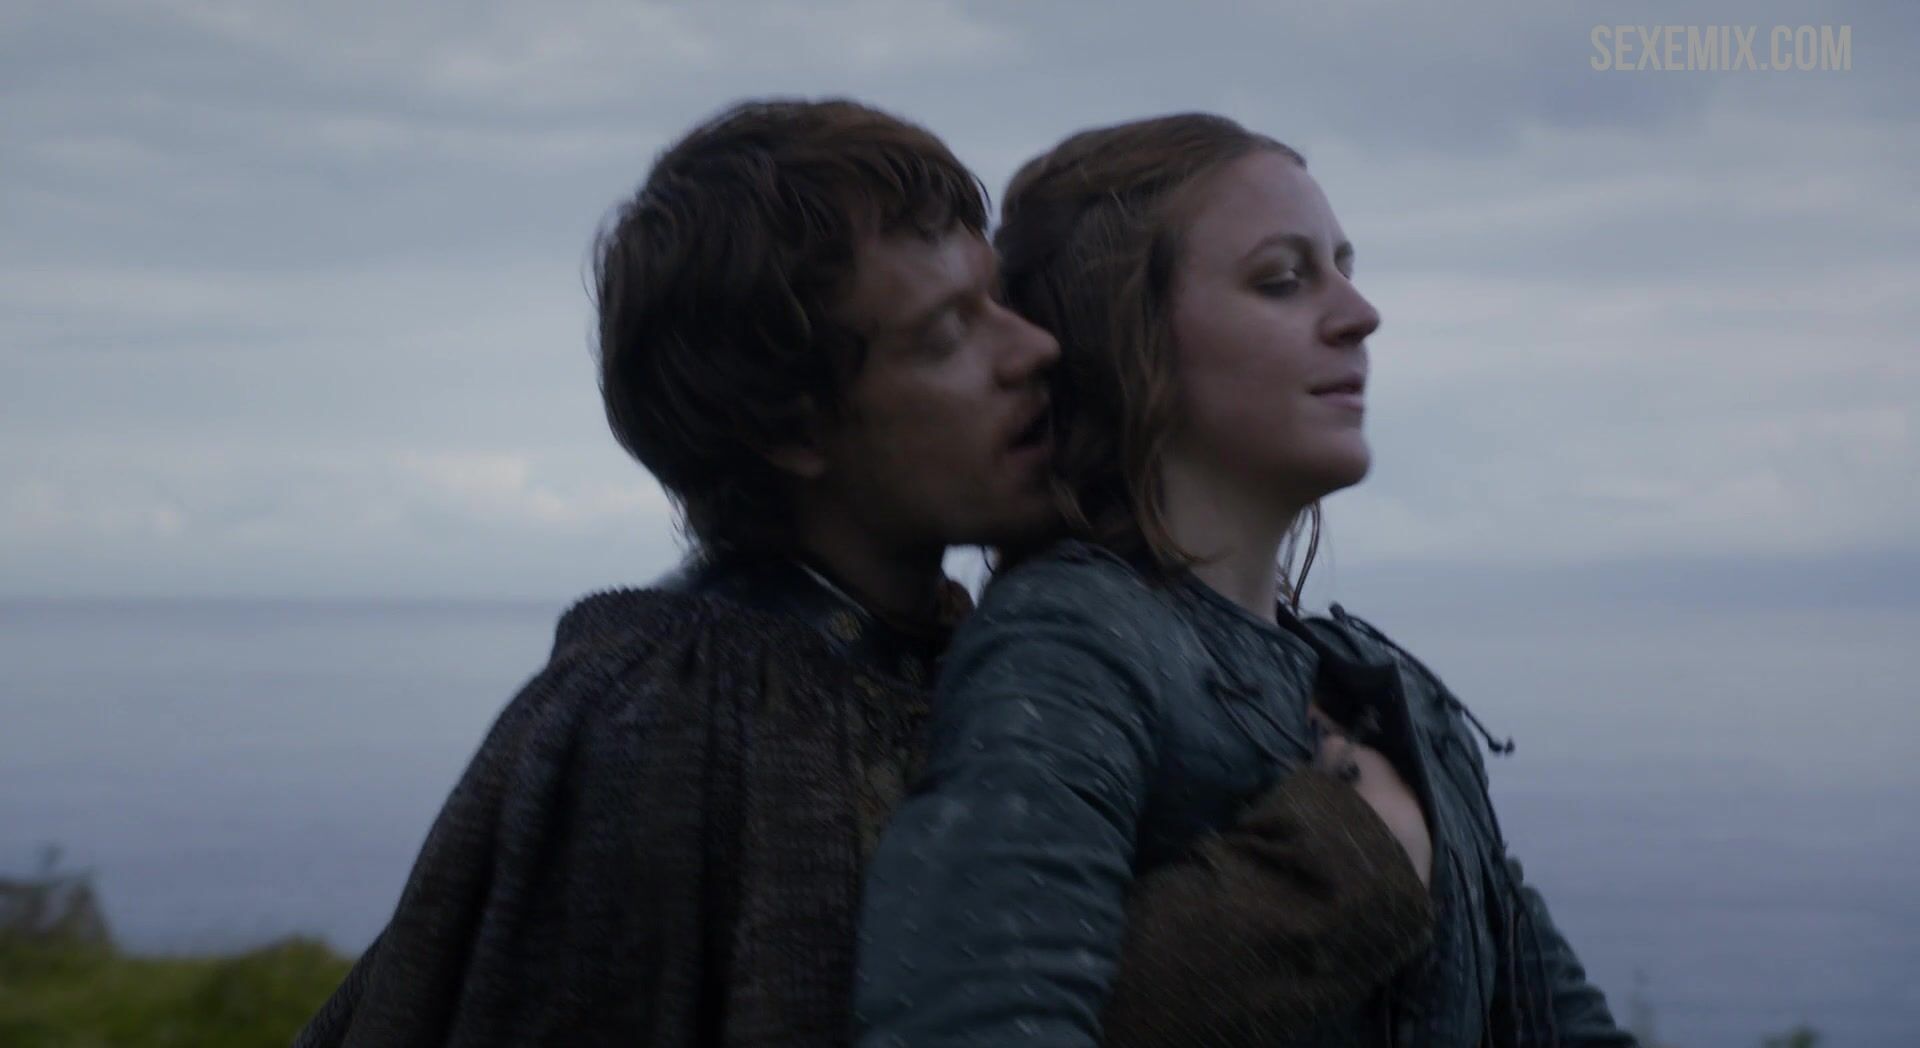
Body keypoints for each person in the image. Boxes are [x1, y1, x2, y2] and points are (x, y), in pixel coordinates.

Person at [295, 100, 1433, 1048]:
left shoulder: (958, 658)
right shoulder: (668, 724)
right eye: (946, 334)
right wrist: (1332, 872)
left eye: (998, 300)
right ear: (792, 427)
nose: (1034, 349)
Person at [855, 113, 1639, 1047]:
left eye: (1343, 267)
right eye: (1282, 280)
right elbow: (974, 1024)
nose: (1360, 314)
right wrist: (1345, 862)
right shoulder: (1069, 644)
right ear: (1131, 338)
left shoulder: (1378, 688)